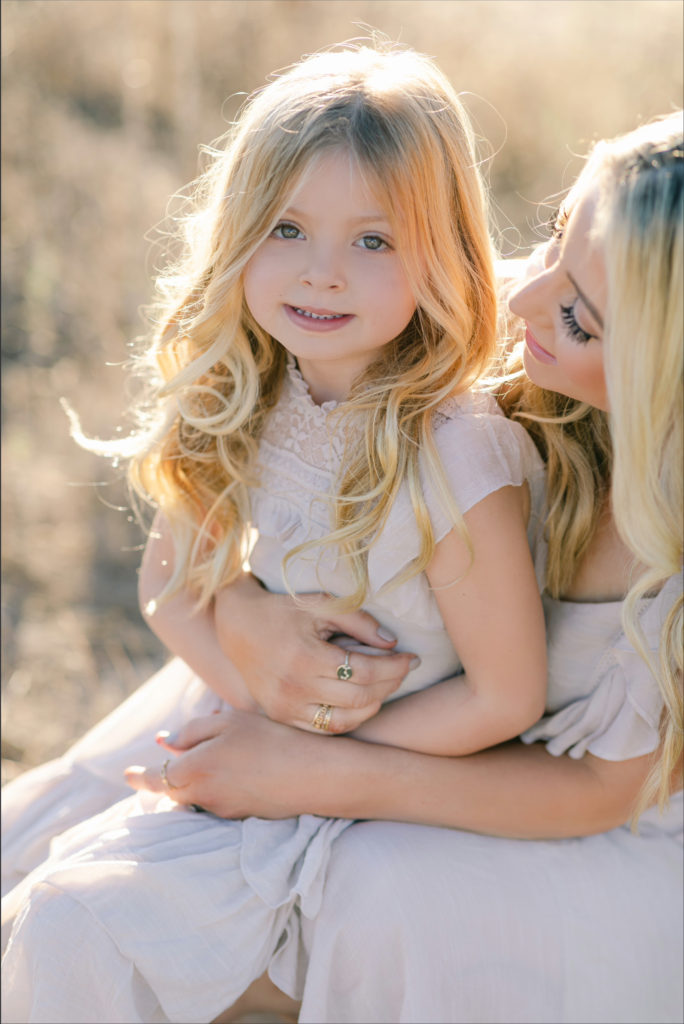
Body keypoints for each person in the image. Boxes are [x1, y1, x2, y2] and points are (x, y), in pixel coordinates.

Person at [1, 43, 549, 1023]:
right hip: (248, 738)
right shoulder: (254, 390)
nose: (323, 274)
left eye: (374, 241)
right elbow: (171, 582)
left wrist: (314, 745)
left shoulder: (452, 450)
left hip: (360, 785)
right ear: (241, 230)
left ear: (443, 253)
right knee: (26, 865)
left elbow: (505, 693)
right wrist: (252, 685)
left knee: (67, 920)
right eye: (288, 228)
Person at [124, 112, 683, 1023]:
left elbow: (601, 789)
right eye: (551, 239)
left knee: (368, 890)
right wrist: (239, 607)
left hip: (602, 827)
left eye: (579, 315)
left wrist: (316, 762)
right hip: (390, 711)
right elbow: (233, 507)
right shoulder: (477, 331)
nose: (525, 298)